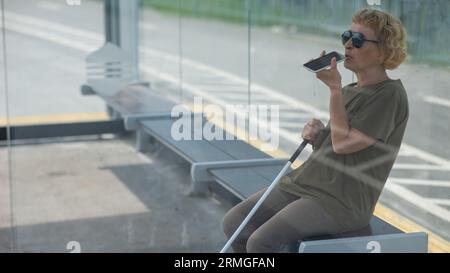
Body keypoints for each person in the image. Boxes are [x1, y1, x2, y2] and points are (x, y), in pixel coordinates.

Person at [222, 8, 409, 253]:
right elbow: (341, 143)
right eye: (346, 37)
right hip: (307, 182)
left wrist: (334, 89)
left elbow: (342, 145)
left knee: (260, 243)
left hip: (340, 201)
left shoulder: (389, 95)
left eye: (359, 40)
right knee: (235, 224)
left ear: (384, 50)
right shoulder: (352, 89)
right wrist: (319, 135)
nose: (349, 45)